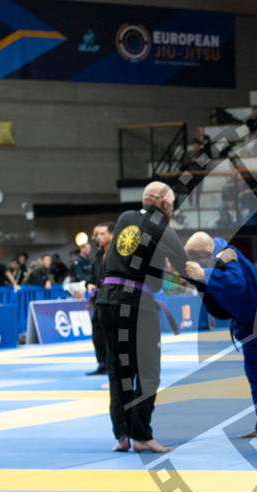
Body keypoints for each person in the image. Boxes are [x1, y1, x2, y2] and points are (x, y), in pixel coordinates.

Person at [95, 181, 195, 454]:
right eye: (172, 204)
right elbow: (187, 271)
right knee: (148, 373)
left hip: (107, 300)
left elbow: (133, 257)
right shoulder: (164, 230)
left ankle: (122, 435)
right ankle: (142, 435)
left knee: (119, 372)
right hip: (136, 304)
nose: (172, 208)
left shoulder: (125, 218)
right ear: (164, 204)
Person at [184, 232, 257, 446]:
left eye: (195, 259)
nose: (192, 263)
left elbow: (236, 283)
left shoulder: (230, 255)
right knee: (255, 373)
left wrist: (205, 272)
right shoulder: (212, 256)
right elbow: (186, 273)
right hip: (248, 320)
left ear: (206, 253)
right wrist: (210, 265)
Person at [86, 222, 113, 375]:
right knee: (97, 330)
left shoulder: (118, 252)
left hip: (114, 296)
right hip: (99, 297)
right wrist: (89, 283)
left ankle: (113, 363)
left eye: (103, 234)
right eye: (98, 234)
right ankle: (102, 362)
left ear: (111, 235)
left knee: (112, 331)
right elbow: (92, 272)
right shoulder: (98, 253)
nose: (99, 237)